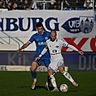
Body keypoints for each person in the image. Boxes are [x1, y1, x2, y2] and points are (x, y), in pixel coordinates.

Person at [18, 22, 50, 90]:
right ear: (37, 29)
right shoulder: (35, 36)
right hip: (38, 56)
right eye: (39, 29)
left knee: (50, 71)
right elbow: (28, 43)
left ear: (43, 28)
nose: (40, 30)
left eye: (41, 29)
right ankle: (35, 80)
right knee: (32, 69)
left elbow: (54, 41)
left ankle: (47, 83)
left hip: (47, 56)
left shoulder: (48, 34)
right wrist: (21, 48)